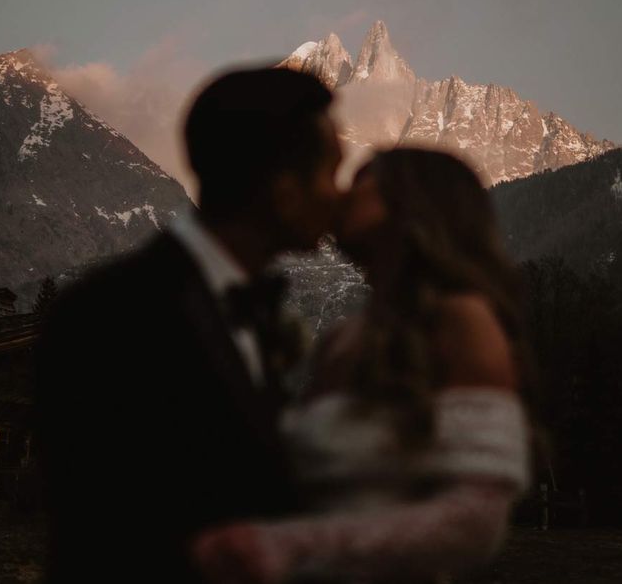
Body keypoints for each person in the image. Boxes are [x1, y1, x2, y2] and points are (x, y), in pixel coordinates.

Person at [34, 66, 343, 582]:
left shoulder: (250, 311)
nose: (338, 196)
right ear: (284, 189)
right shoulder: (112, 315)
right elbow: (102, 533)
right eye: (330, 173)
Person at [191, 148, 535, 583]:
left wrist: (289, 544)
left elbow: (475, 522)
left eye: (363, 179)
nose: (341, 193)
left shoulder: (461, 321)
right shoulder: (341, 338)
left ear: (413, 201)